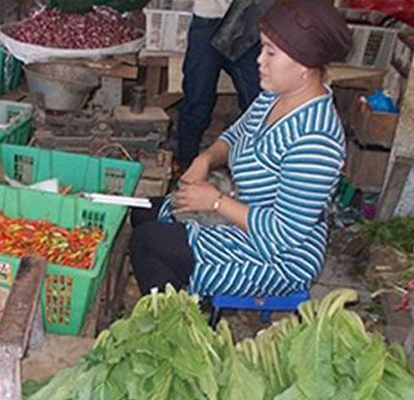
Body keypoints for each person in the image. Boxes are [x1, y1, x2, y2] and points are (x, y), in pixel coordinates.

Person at [131, 0, 352, 297]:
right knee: (142, 212)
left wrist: (216, 202)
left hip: (278, 257)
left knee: (149, 241)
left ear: (305, 66)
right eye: (262, 49)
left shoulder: (315, 139)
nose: (260, 60)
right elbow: (235, 135)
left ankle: (174, 324)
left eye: (271, 52)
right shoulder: (275, 97)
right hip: (245, 217)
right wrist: (206, 159)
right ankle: (171, 298)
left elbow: (283, 235)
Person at [176, 0, 275, 170]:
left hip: (248, 20)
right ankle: (186, 170)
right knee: (197, 104)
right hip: (209, 20)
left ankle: (252, 171)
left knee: (258, 103)